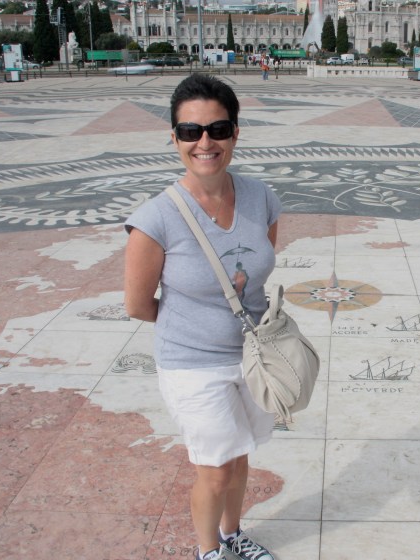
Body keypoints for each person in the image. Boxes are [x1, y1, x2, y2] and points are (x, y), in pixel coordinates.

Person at [124, 74, 281, 560]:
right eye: (191, 131)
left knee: (239, 456)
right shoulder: (155, 218)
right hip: (193, 364)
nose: (205, 142)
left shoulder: (260, 197)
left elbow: (257, 272)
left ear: (235, 133)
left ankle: (234, 535)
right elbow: (138, 304)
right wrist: (195, 326)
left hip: (253, 358)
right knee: (214, 469)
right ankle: (207, 550)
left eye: (218, 129)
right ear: (174, 138)